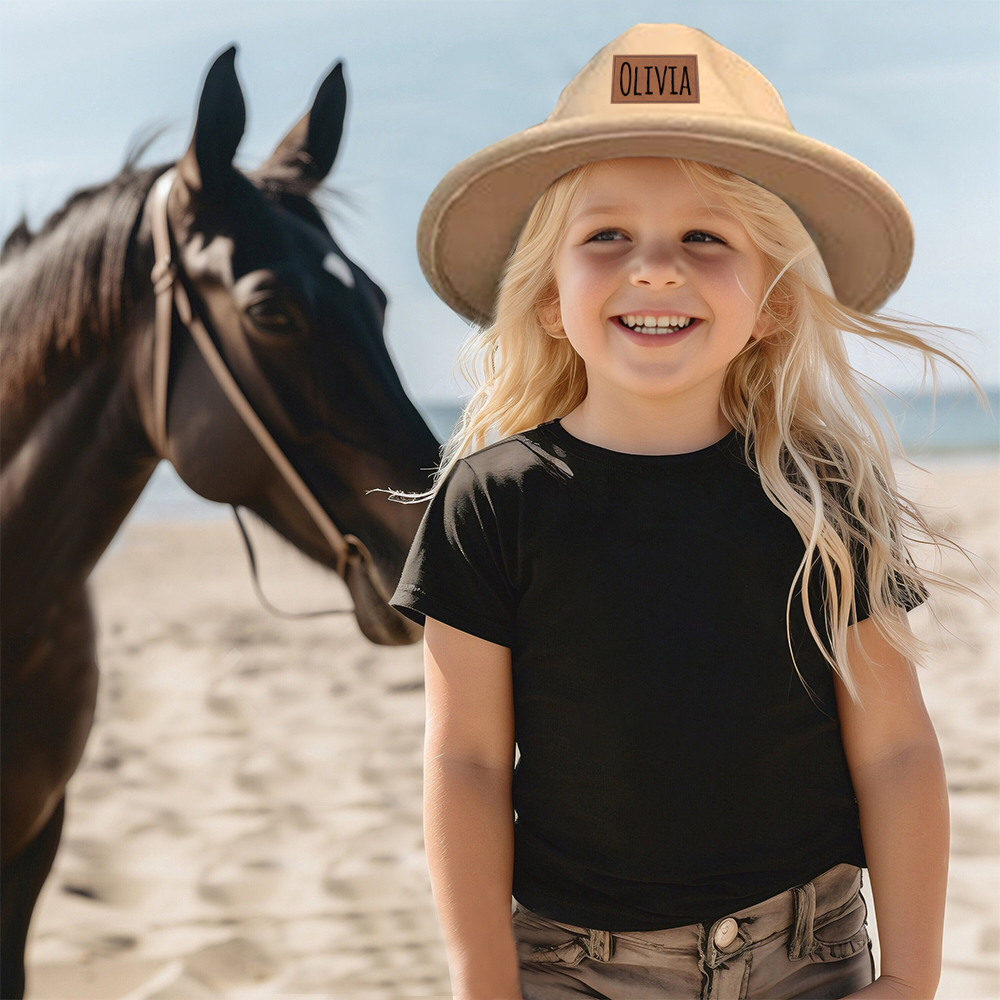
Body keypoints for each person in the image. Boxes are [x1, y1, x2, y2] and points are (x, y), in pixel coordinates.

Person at [386, 23, 986, 1000]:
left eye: (704, 236)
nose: (655, 267)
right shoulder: (492, 500)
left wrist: (913, 976)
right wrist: (483, 980)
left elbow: (897, 746)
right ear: (546, 296)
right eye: (607, 235)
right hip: (574, 967)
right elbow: (465, 762)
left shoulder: (821, 487)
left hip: (810, 954)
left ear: (775, 301)